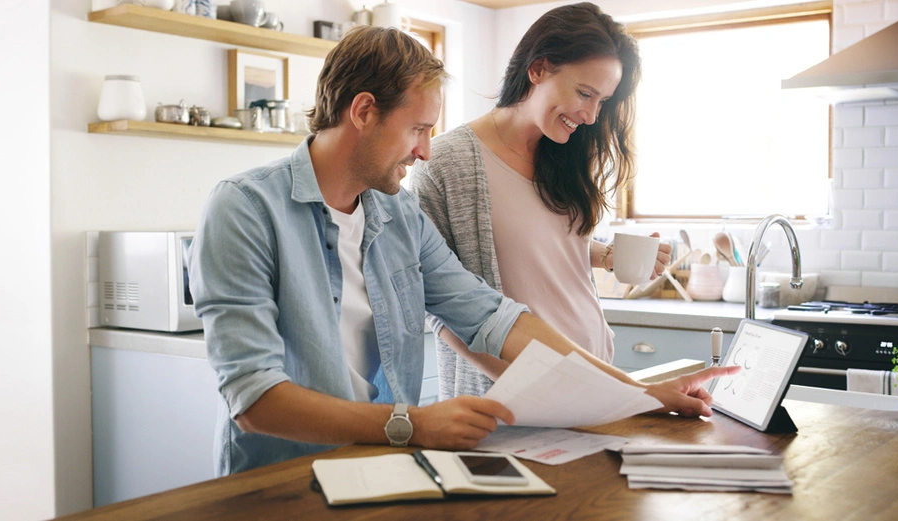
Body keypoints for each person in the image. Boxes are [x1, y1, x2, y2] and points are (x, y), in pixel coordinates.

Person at [190, 25, 736, 476]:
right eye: (419, 129)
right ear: (362, 112)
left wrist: (641, 392)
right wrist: (412, 424)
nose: (426, 149)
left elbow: (494, 317)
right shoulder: (243, 210)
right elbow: (255, 399)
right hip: (277, 483)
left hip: (382, 472)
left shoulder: (397, 215)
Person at [410, 3, 667, 399]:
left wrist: (608, 255)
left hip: (595, 381)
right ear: (538, 69)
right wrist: (527, 384)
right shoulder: (447, 164)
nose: (591, 116)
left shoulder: (567, 156)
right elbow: (440, 305)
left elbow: (542, 243)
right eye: (585, 94)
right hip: (517, 396)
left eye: (602, 101)